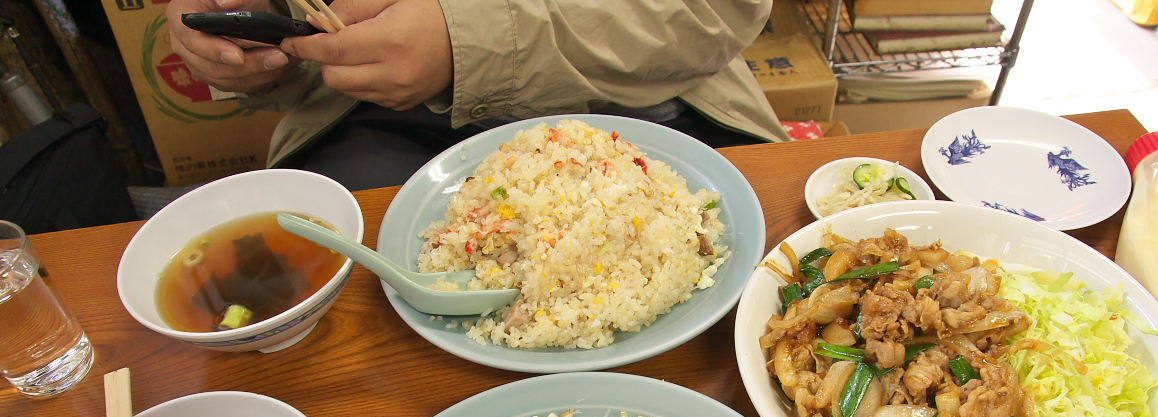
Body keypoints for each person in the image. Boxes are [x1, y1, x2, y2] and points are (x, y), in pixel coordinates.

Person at [166, 0, 789, 190]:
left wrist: (467, 43)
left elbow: (720, 10)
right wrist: (254, 41)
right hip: (380, 121)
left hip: (656, 102)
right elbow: (306, 29)